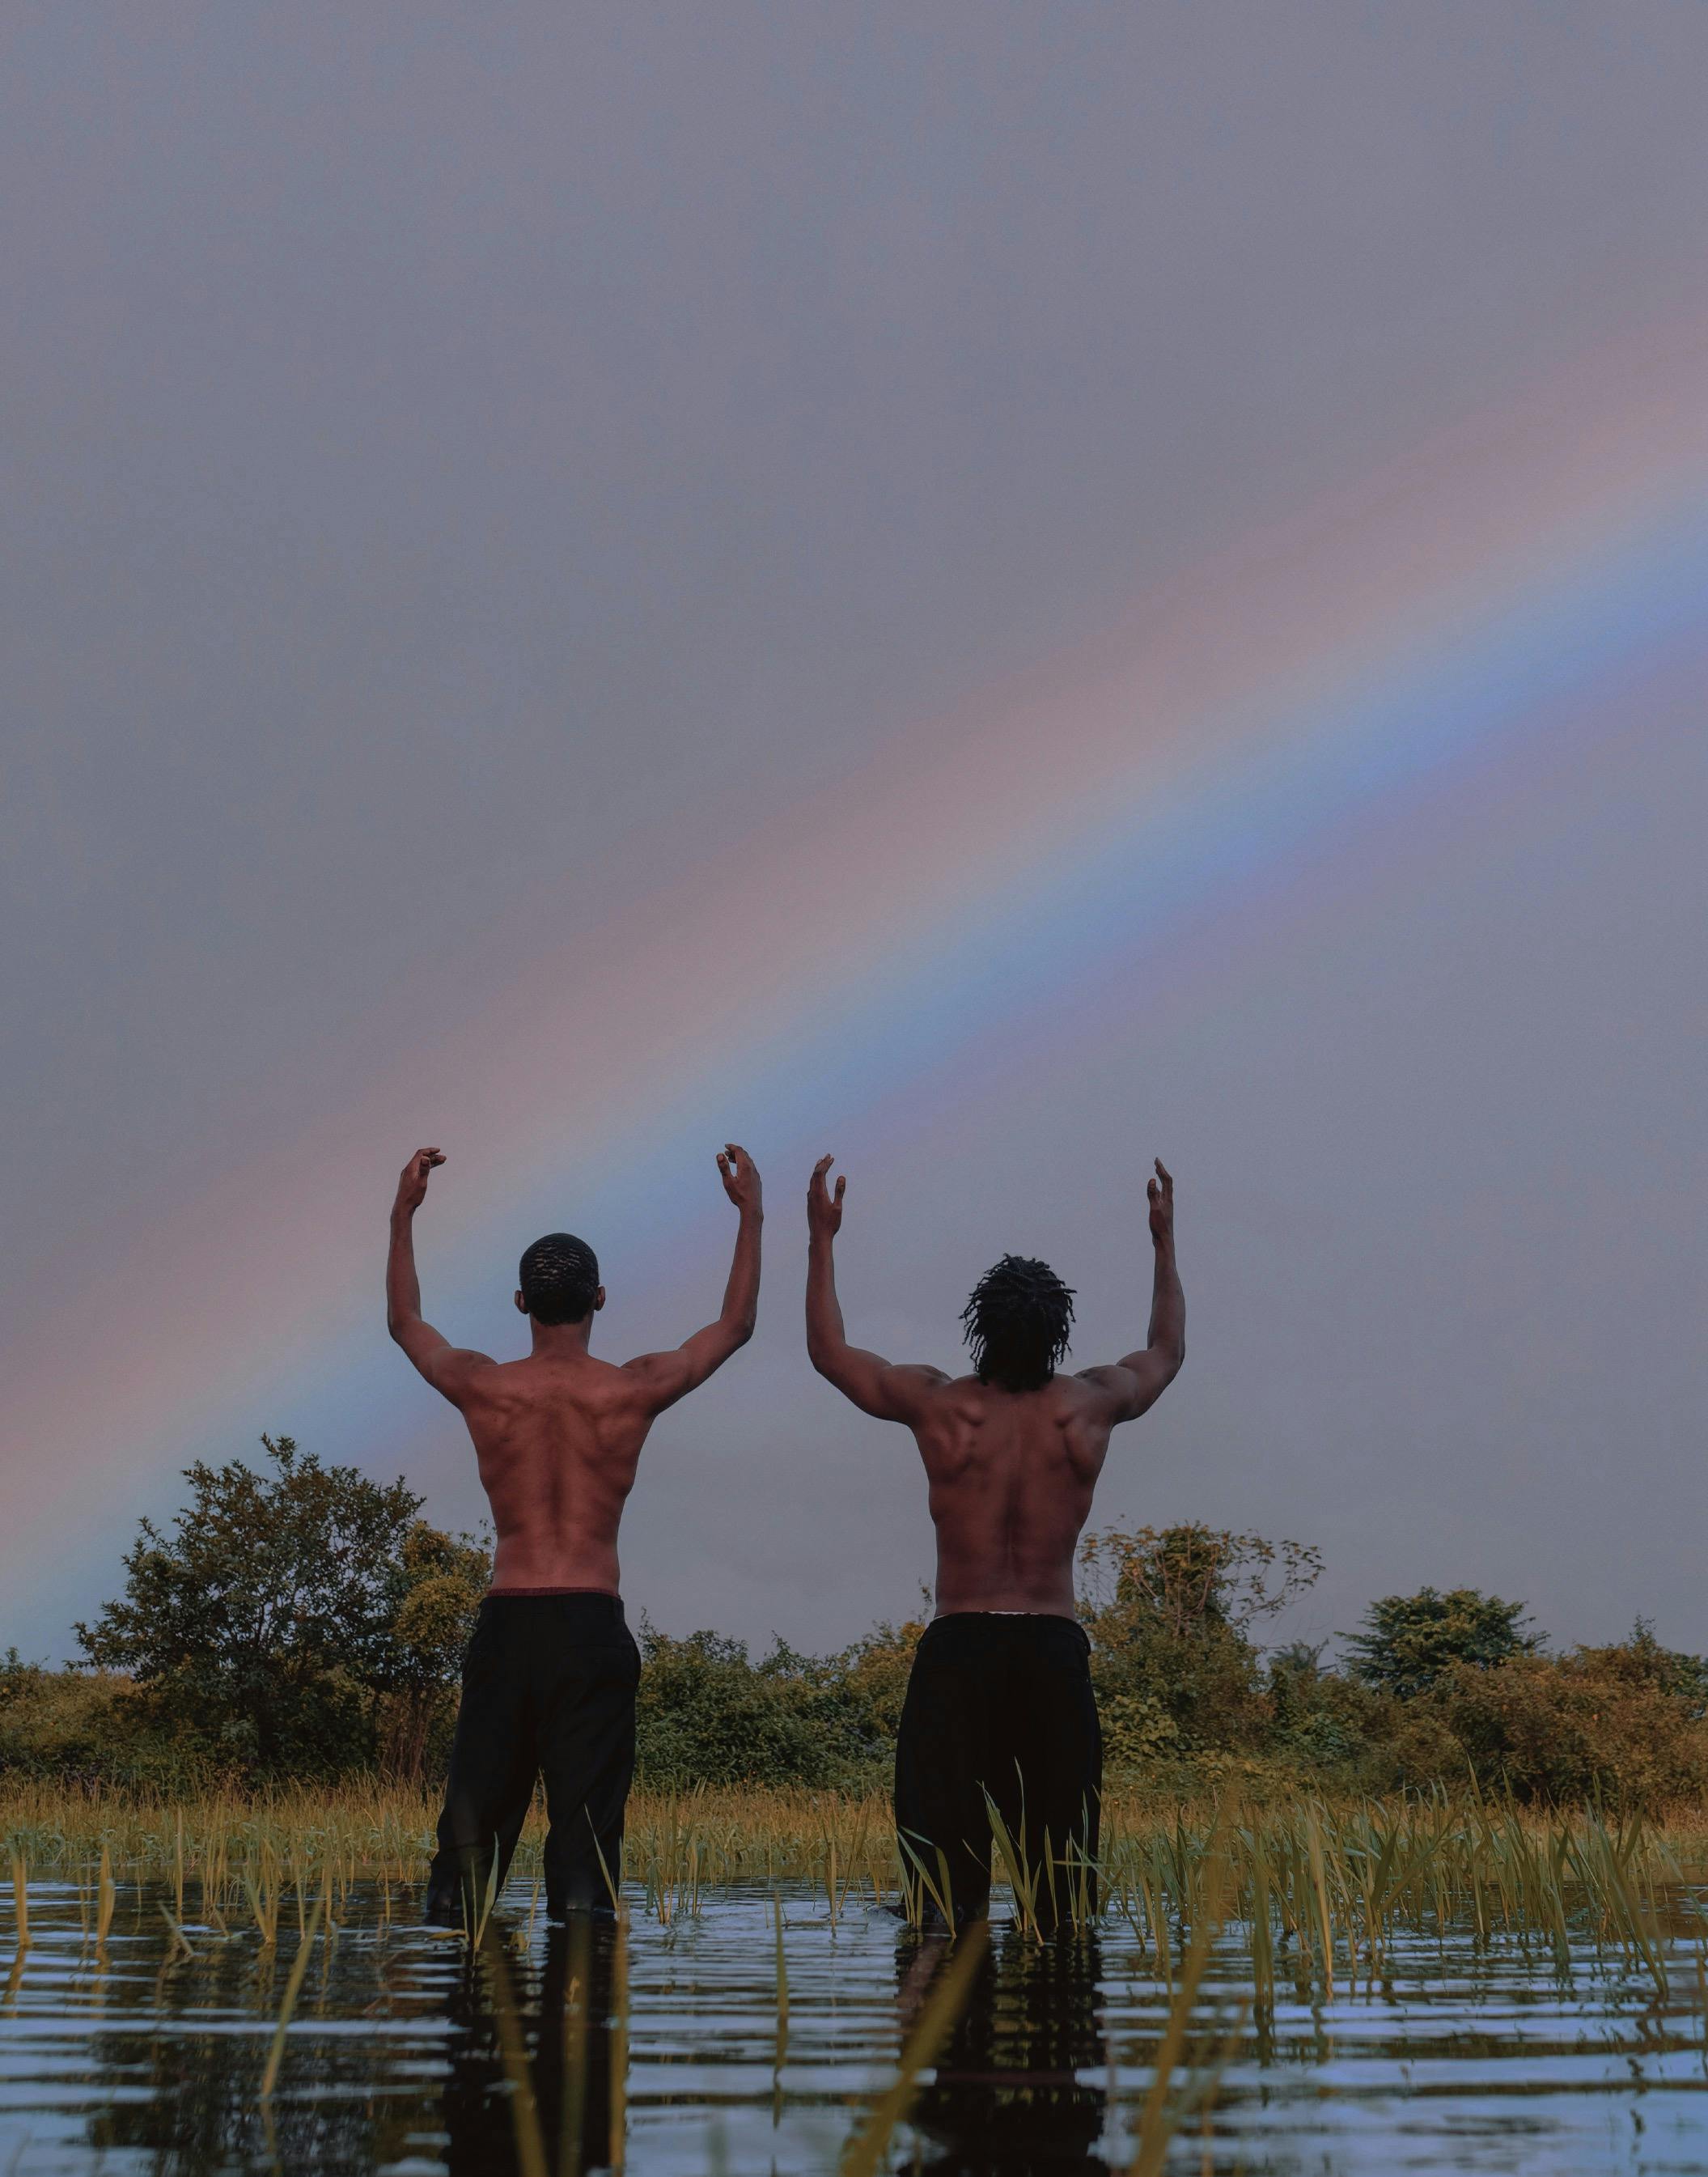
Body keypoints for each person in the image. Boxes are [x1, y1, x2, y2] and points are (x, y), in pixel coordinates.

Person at [387, 1139, 763, 1924]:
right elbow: (732, 1325)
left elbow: (405, 1321)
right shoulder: (630, 1389)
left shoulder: (484, 1386)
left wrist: (404, 1210)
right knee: (585, 1869)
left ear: (519, 1302)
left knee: (461, 1868)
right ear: (600, 1296)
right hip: (590, 1624)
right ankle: (580, 2019)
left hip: (509, 1620)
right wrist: (750, 1213)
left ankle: (463, 2023)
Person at [805, 1152, 1183, 1929]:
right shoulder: (1090, 1404)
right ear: (1058, 1331)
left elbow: (830, 1355)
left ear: (980, 1327)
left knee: (940, 1901)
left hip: (960, 1650)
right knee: (1060, 1895)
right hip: (1052, 1648)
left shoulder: (942, 1407)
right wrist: (1162, 1240)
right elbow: (1166, 1352)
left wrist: (821, 1239)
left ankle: (947, 2013)